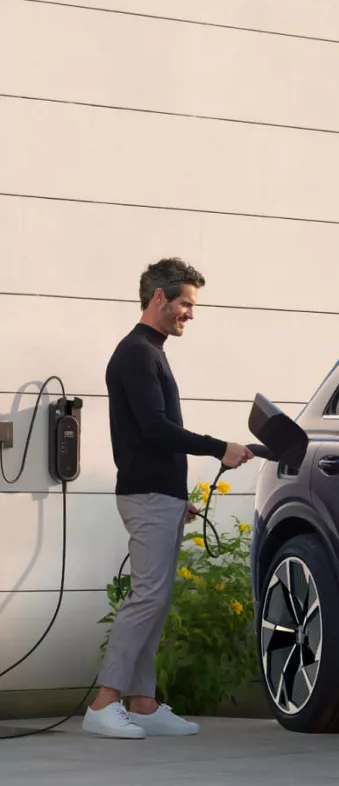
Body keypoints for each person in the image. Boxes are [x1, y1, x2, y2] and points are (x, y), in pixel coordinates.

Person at [84, 259, 256, 740]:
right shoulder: (138, 354)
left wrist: (178, 498)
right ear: (159, 298)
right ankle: (104, 702)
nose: (190, 314)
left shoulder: (149, 353)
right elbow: (156, 430)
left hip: (159, 495)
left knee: (155, 600)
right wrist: (219, 446)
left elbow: (149, 436)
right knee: (147, 598)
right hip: (146, 495)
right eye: (185, 303)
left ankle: (143, 703)